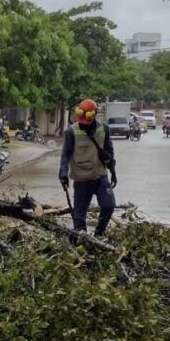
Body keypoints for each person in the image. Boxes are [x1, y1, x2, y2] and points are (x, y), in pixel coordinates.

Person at [59, 98, 116, 237]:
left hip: (100, 177)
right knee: (79, 215)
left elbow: (109, 152)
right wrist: (63, 174)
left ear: (95, 115)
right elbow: (65, 155)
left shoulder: (104, 129)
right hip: (81, 179)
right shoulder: (71, 132)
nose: (84, 125)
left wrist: (113, 172)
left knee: (109, 206)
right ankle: (82, 238)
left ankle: (99, 234)